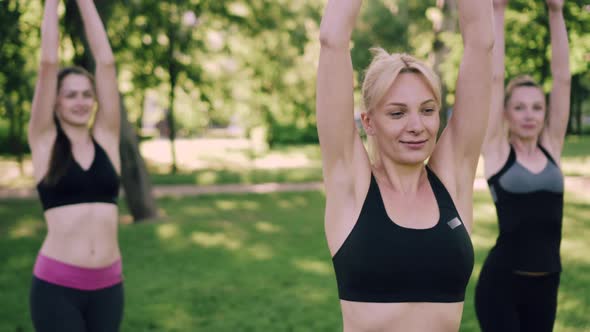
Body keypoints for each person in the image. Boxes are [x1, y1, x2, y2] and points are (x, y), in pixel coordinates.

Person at [316, 0, 493, 330]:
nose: (417, 126)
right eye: (397, 113)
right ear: (369, 122)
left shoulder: (453, 178)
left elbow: (482, 42)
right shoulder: (351, 185)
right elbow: (332, 40)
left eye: (427, 110)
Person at [28, 0, 123, 330]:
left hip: (109, 287)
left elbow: (106, 63)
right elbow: (48, 62)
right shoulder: (44, 141)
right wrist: (52, 4)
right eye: (70, 95)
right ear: (55, 100)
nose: (81, 102)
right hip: (57, 288)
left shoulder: (107, 139)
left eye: (86, 94)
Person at [476, 0, 570, 331]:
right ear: (505, 113)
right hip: (501, 284)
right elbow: (494, 77)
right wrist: (497, 11)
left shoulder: (551, 147)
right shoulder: (498, 150)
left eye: (536, 107)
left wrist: (556, 12)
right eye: (519, 107)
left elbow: (561, 79)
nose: (529, 114)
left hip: (547, 283)